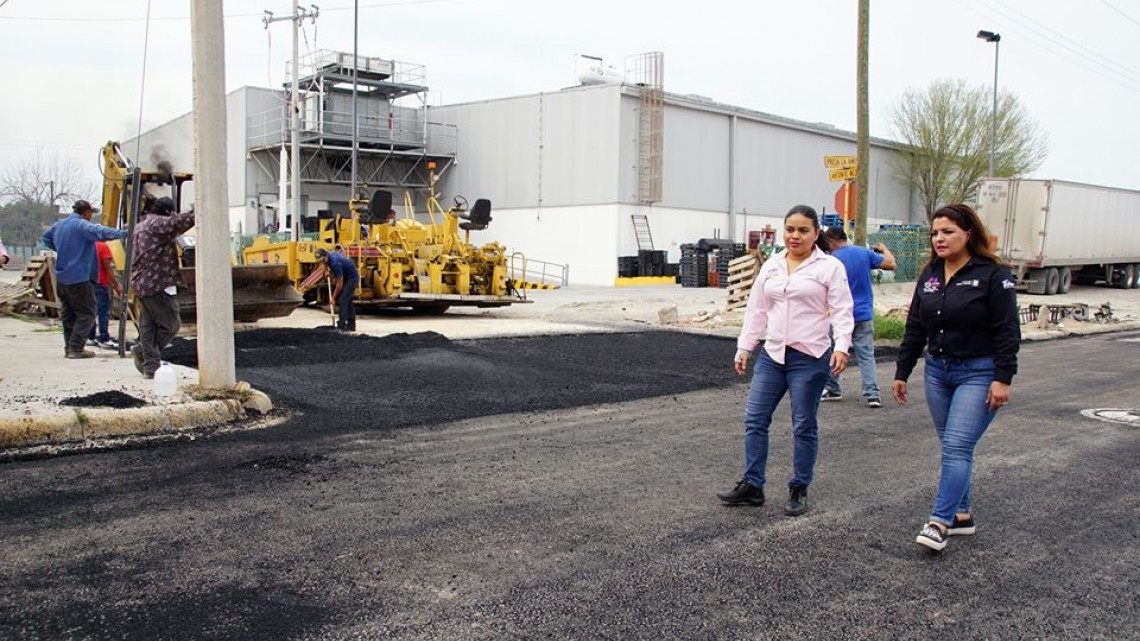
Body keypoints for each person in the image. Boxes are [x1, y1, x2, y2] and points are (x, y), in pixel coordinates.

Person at [892, 203, 1020, 552]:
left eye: (948, 232)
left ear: (968, 234)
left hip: (978, 373)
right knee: (952, 446)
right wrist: (903, 371)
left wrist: (1003, 377)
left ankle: (939, 522)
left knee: (957, 446)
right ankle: (962, 515)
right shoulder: (931, 275)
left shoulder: (994, 275)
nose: (939, 238)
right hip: (938, 372)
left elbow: (1008, 330)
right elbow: (915, 326)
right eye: (935, 233)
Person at [717, 205, 854, 516]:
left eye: (803, 230)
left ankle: (799, 486)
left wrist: (842, 346)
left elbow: (842, 310)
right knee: (755, 419)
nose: (795, 236)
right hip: (773, 355)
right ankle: (753, 485)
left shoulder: (829, 267)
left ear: (816, 234)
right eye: (790, 229)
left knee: (803, 424)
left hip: (810, 356)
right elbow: (757, 309)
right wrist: (745, 346)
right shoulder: (773, 265)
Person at [821, 227, 897, 407]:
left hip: (839, 315)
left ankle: (832, 388)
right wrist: (884, 249)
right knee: (866, 355)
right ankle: (873, 394)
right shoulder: (864, 253)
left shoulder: (831, 260)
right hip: (863, 313)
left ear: (832, 240)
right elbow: (891, 264)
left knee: (834, 352)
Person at [41, 200, 127, 359]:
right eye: (91, 213)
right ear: (86, 212)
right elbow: (101, 231)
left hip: (62, 278)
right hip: (78, 278)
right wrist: (124, 233)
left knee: (69, 315)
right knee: (87, 313)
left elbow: (46, 238)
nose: (91, 216)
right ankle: (76, 348)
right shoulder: (81, 225)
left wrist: (62, 248)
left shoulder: (59, 225)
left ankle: (69, 347)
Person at [130, 196, 195, 378]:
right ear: (168, 212)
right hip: (157, 282)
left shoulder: (140, 225)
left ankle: (151, 368)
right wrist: (198, 210)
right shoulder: (157, 224)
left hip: (142, 283)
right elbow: (179, 222)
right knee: (171, 324)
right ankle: (144, 351)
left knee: (148, 326)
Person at [87, 240, 122, 349]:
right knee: (103, 312)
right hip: (101, 283)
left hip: (88, 282)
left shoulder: (87, 245)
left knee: (91, 310)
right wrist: (116, 284)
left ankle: (90, 336)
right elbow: (108, 267)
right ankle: (104, 338)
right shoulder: (103, 247)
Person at [316, 247, 359, 331]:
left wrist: (333, 297)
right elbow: (325, 263)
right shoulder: (328, 256)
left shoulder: (335, 263)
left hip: (352, 278)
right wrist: (326, 271)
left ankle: (342, 325)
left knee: (342, 300)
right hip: (346, 276)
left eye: (322, 260)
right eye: (320, 261)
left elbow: (339, 283)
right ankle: (351, 326)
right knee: (348, 301)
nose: (322, 262)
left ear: (326, 255)